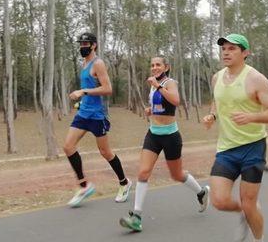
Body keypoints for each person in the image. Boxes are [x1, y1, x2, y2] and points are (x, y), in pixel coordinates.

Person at [202, 34, 268, 242]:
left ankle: (259, 238)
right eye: (224, 49)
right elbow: (217, 100)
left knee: (248, 202)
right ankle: (248, 210)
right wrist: (212, 115)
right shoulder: (217, 77)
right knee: (219, 201)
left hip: (253, 147)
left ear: (245, 53)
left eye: (232, 49)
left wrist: (253, 117)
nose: (226, 53)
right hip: (226, 149)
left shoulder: (255, 79)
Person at [119, 56, 210, 232]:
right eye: (152, 65)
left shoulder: (169, 83)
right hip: (153, 134)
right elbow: (160, 107)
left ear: (166, 67)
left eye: (158, 65)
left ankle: (201, 192)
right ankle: (136, 216)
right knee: (143, 172)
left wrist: (157, 85)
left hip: (171, 136)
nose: (154, 67)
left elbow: (175, 101)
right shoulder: (154, 87)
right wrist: (149, 110)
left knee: (177, 175)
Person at [64, 32, 131, 207]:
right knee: (68, 147)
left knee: (105, 152)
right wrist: (82, 100)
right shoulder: (85, 64)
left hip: (96, 117)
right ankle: (84, 186)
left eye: (85, 44)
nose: (82, 47)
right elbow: (90, 88)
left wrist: (83, 92)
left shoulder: (98, 63)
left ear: (93, 45)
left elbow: (107, 89)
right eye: (80, 44)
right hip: (83, 114)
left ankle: (124, 183)